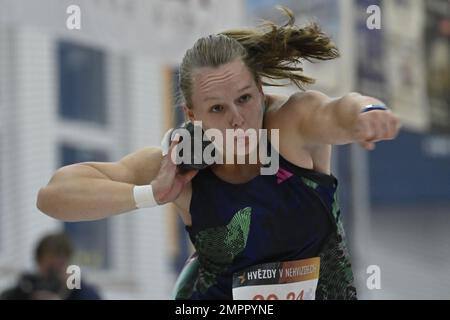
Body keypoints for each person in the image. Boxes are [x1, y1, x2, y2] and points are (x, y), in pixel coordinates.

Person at [36, 8, 400, 300]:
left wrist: (367, 114)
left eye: (244, 99)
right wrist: (151, 194)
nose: (237, 120)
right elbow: (53, 195)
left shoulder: (292, 125)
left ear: (261, 90)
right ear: (192, 115)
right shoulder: (180, 165)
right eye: (217, 110)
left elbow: (340, 109)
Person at [1, 233, 101, 300]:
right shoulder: (24, 289)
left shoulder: (80, 291)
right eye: (50, 269)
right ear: (38, 262)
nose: (53, 276)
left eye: (58, 268)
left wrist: (68, 291)